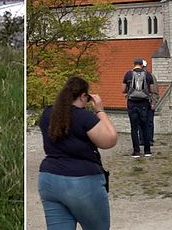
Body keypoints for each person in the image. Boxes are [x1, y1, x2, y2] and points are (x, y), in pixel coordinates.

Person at [38, 76, 117, 230]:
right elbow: (110, 139)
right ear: (82, 96)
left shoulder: (47, 114)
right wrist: (99, 110)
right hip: (82, 182)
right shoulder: (84, 117)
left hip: (49, 179)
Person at [122, 58, 155, 157]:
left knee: (134, 128)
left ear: (134, 64)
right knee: (144, 127)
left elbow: (123, 89)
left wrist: (128, 91)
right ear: (142, 65)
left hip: (132, 103)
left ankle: (136, 151)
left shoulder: (128, 74)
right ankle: (147, 151)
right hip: (144, 103)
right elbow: (152, 90)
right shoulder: (148, 75)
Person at [142, 59, 156, 145]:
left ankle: (149, 139)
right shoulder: (134, 76)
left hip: (148, 102)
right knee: (142, 122)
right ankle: (143, 140)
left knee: (149, 122)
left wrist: (153, 102)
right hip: (141, 103)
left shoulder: (150, 76)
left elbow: (154, 91)